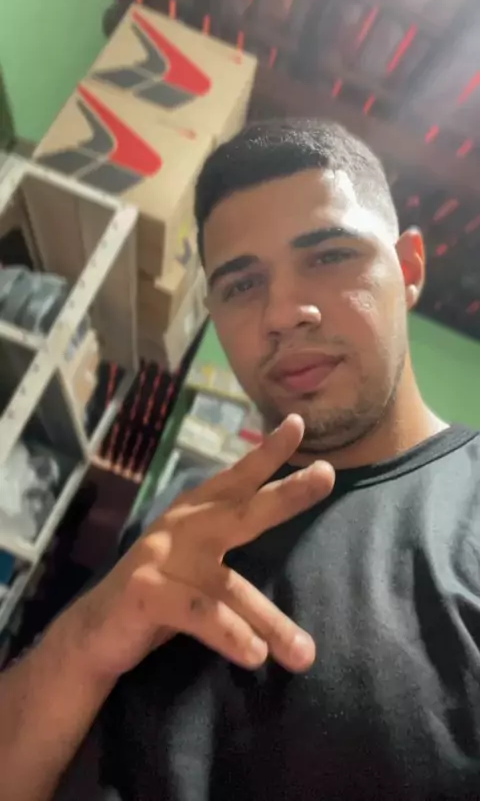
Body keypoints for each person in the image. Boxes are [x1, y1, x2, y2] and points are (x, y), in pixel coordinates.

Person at [1, 119, 479, 801]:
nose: (281, 313)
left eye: (329, 255)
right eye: (241, 285)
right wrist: (81, 641)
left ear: (408, 268)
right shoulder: (182, 512)